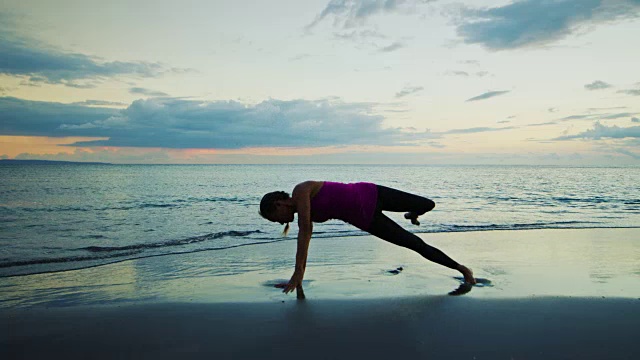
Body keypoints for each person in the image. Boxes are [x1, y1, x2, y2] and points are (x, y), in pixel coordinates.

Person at [260, 181, 476, 296]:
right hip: (367, 219)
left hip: (371, 193)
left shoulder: (301, 191)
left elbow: (305, 231)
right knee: (415, 244)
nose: (279, 223)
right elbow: (306, 232)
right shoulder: (305, 212)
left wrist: (298, 274)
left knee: (427, 204)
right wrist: (298, 274)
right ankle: (462, 269)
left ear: (279, 204)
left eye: (274, 218)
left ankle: (413, 214)